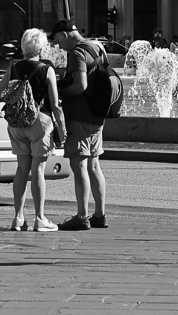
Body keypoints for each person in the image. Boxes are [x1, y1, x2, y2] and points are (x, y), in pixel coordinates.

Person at [0, 27, 64, 231]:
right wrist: (62, 128)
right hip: (39, 123)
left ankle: (18, 218)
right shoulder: (47, 69)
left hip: (16, 124)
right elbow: (55, 104)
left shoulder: (13, 69)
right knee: (39, 170)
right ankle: (40, 218)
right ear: (42, 48)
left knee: (21, 169)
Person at [51, 18, 109, 231]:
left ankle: (82, 216)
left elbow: (80, 86)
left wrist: (58, 92)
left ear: (65, 35)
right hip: (97, 115)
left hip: (79, 115)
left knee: (79, 165)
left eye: (58, 40)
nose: (58, 46)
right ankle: (100, 214)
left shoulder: (76, 52)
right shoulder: (96, 46)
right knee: (94, 165)